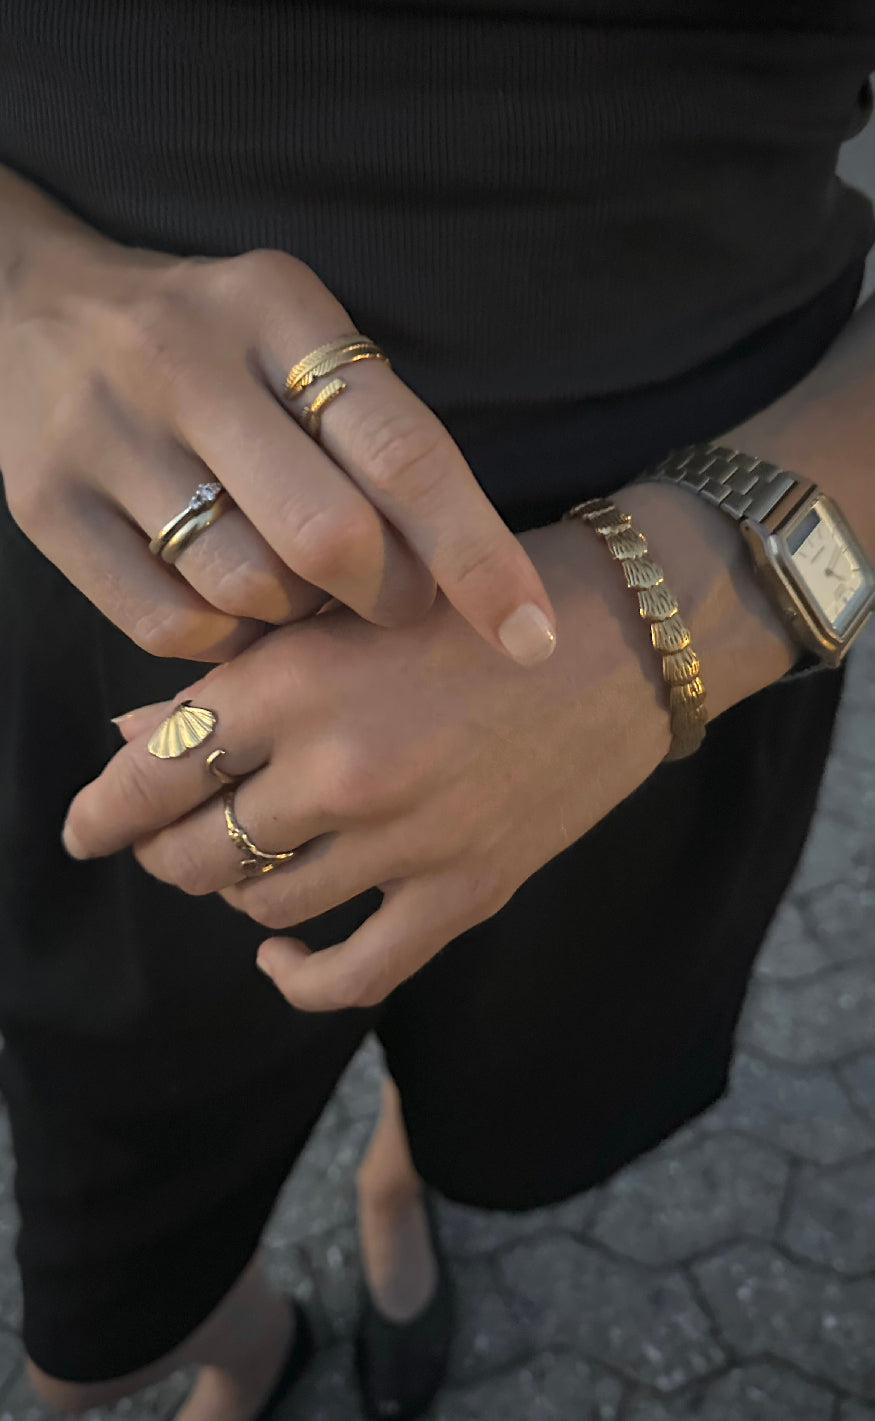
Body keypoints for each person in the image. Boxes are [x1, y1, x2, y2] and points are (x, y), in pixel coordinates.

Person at [1, 2, 874, 1418]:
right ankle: (236, 1331)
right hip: (105, 557)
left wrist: (658, 624)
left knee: (512, 1080)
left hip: (675, 620)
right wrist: (21, 279)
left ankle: (403, 1176)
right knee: (103, 1270)